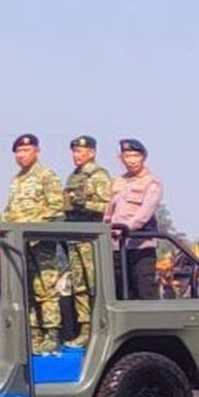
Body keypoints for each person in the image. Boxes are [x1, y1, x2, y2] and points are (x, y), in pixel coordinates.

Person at [2, 134, 66, 355]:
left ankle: (52, 336)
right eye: (18, 152)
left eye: (26, 151)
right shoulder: (16, 180)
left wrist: (34, 227)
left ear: (37, 152)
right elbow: (10, 211)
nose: (22, 156)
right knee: (25, 289)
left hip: (41, 241)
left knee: (46, 289)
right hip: (19, 243)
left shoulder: (46, 175)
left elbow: (57, 209)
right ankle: (33, 335)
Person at [63, 135, 113, 348]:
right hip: (74, 235)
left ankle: (101, 328)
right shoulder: (73, 176)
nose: (76, 156)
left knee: (95, 284)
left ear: (91, 152)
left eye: (81, 152)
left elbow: (107, 207)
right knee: (79, 285)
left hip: (92, 237)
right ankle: (84, 329)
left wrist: (84, 203)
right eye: (74, 151)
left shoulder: (99, 175)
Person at [104, 138, 165, 300]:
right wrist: (106, 228)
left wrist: (125, 228)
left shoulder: (152, 182)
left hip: (141, 246)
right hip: (117, 247)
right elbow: (109, 211)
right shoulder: (118, 182)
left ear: (143, 157)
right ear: (120, 158)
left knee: (144, 290)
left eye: (135, 156)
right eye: (127, 156)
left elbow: (145, 212)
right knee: (119, 292)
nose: (131, 161)